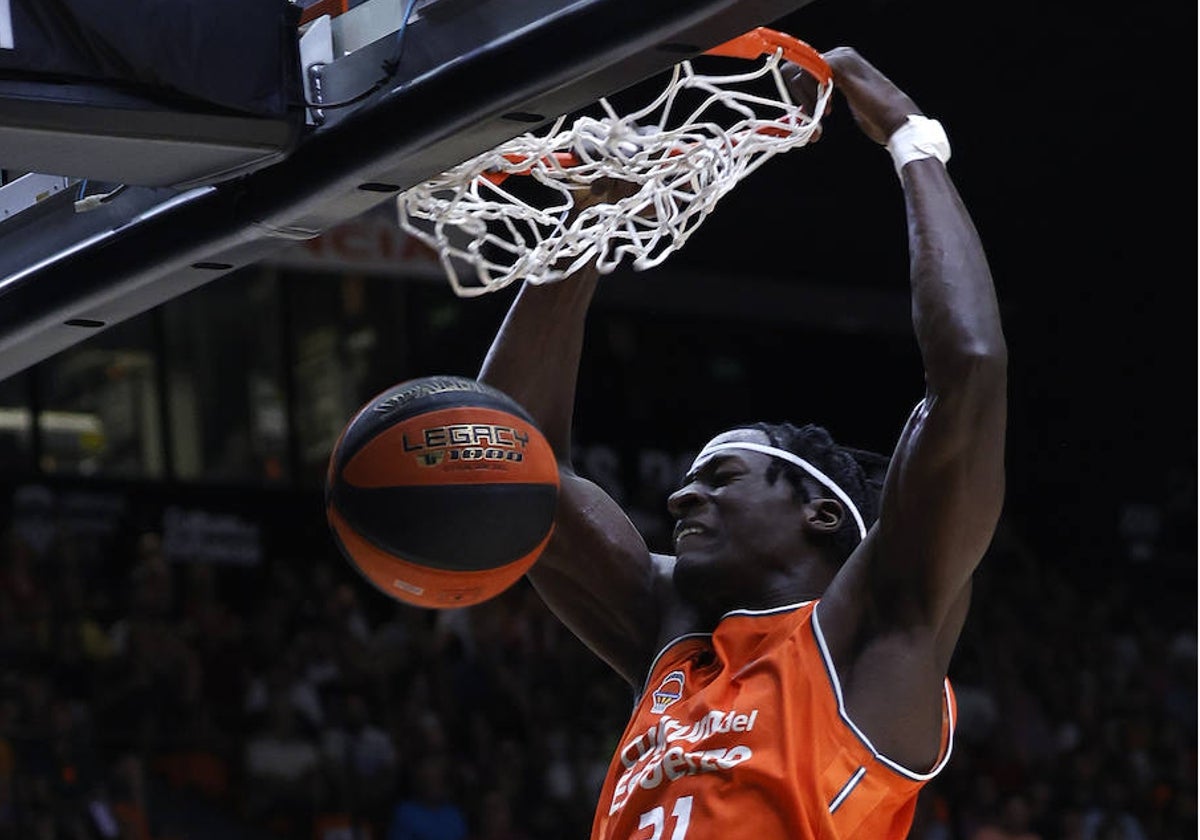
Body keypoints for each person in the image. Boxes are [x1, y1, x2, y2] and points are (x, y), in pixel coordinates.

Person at [475, 45, 1007, 839]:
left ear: (820, 514)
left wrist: (908, 137)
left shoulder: (877, 632)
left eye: (722, 477)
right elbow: (506, 458)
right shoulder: (679, 642)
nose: (682, 494)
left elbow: (967, 369)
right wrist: (588, 227)